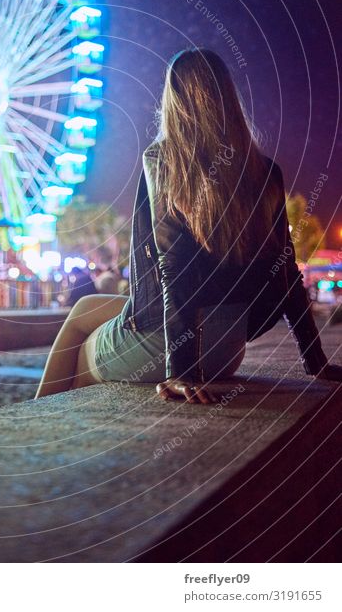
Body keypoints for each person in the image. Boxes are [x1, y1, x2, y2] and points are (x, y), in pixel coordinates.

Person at [35, 48, 342, 403]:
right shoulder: (265, 170)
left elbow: (173, 267)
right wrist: (315, 362)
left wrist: (179, 371)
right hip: (229, 346)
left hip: (181, 349)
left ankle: (35, 432)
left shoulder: (164, 160)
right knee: (83, 308)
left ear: (174, 99)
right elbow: (287, 272)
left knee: (81, 351)